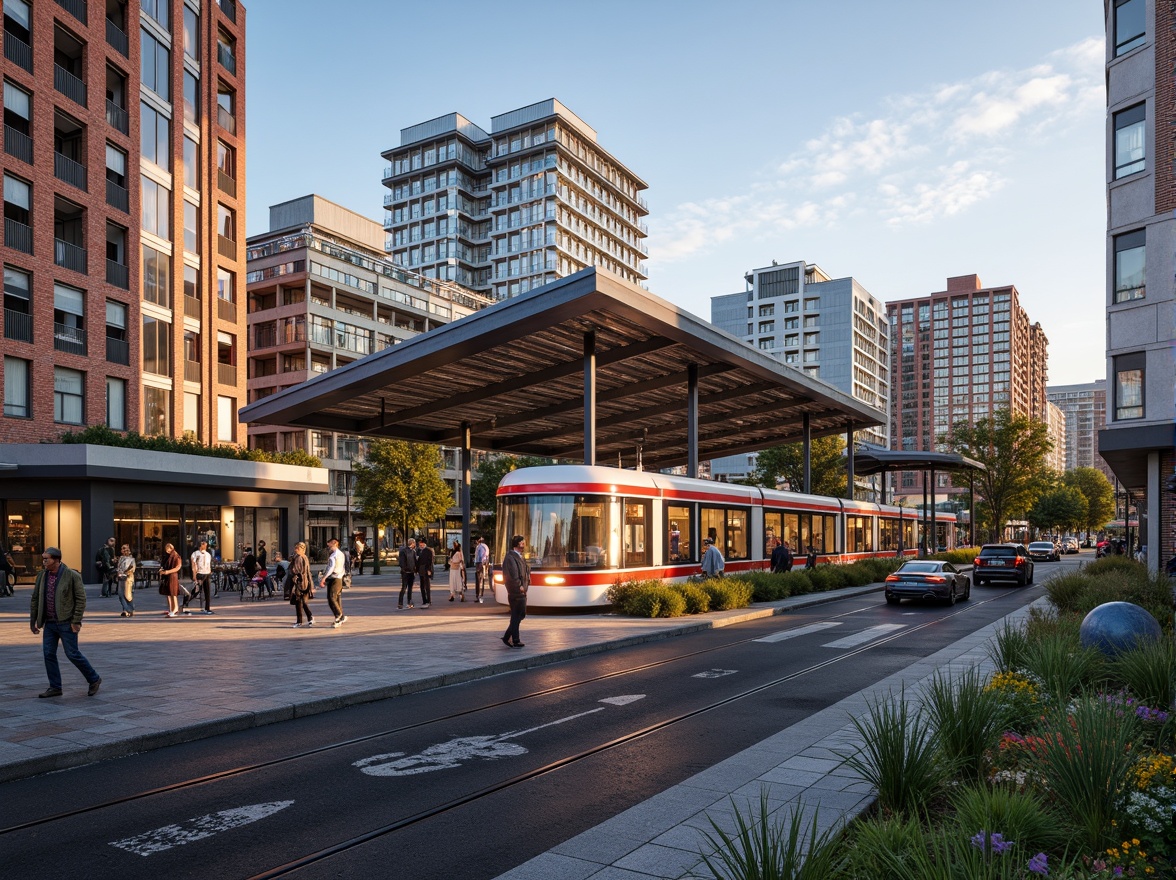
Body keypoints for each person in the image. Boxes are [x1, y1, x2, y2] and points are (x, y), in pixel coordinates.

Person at [30, 547, 101, 697]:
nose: (43, 562)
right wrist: (34, 621)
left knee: (72, 654)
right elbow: (35, 598)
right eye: (43, 558)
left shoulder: (71, 575)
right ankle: (55, 687)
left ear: (56, 560)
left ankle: (94, 679)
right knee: (48, 654)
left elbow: (81, 599)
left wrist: (76, 621)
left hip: (66, 622)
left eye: (46, 559)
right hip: (49, 623)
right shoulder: (42, 576)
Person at [501, 535, 529, 648]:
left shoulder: (520, 557)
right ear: (517, 544)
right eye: (522, 543)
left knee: (519, 615)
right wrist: (519, 586)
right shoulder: (510, 558)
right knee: (517, 615)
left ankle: (507, 637)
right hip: (516, 592)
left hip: (521, 591)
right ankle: (515, 640)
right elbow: (512, 575)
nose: (524, 545)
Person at [320, 537, 348, 628]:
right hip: (339, 577)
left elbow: (331, 568)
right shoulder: (341, 554)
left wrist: (324, 578)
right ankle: (340, 616)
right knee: (336, 598)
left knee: (331, 598)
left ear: (335, 543)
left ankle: (339, 615)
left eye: (329, 545)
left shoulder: (334, 555)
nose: (328, 547)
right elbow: (344, 565)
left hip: (334, 578)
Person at [287, 541, 314, 628]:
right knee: (303, 602)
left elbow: (295, 570)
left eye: (297, 548)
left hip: (299, 582)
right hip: (305, 582)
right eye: (295, 548)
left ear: (302, 549)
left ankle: (300, 621)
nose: (295, 550)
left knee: (299, 602)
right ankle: (309, 618)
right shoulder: (304, 557)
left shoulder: (298, 558)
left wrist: (292, 566)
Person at [185, 540, 214, 615]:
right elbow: (193, 565)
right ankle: (187, 601)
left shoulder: (208, 554)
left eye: (205, 544)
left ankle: (207, 608)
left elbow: (208, 564)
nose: (205, 545)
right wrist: (194, 575)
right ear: (200, 545)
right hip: (199, 573)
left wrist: (210, 571)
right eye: (203, 544)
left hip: (206, 573)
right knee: (196, 590)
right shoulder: (195, 554)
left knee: (207, 591)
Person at [159, 543, 183, 617]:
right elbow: (163, 565)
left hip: (172, 576)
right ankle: (171, 609)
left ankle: (175, 608)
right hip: (166, 576)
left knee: (173, 593)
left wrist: (168, 572)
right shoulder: (167, 556)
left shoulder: (176, 556)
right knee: (168, 593)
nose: (167, 551)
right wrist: (162, 570)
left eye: (168, 549)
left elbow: (178, 567)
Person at [116, 544, 136, 618]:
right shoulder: (121, 558)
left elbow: (132, 569)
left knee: (127, 595)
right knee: (121, 594)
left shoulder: (131, 559)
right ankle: (127, 609)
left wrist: (126, 572)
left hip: (128, 579)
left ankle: (129, 610)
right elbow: (118, 567)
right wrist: (118, 573)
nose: (122, 550)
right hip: (121, 578)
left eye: (123, 549)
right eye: (122, 549)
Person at [397, 537, 416, 610]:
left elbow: (402, 562)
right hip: (409, 572)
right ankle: (407, 602)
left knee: (405, 588)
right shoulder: (410, 551)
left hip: (407, 572)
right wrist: (413, 570)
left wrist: (404, 569)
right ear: (412, 543)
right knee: (407, 588)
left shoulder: (405, 551)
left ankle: (402, 603)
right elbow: (414, 562)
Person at [416, 538, 435, 607]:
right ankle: (424, 600)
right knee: (422, 586)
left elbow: (431, 561)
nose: (420, 545)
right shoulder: (418, 551)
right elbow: (417, 560)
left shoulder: (429, 550)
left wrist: (429, 570)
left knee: (427, 585)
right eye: (419, 544)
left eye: (421, 544)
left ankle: (428, 600)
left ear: (424, 544)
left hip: (426, 568)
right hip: (420, 569)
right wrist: (416, 570)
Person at [474, 536, 491, 604]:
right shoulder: (485, 547)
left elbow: (481, 556)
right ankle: (480, 596)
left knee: (479, 581)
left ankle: (479, 596)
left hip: (480, 564)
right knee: (481, 581)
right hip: (482, 564)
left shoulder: (480, 547)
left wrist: (479, 566)